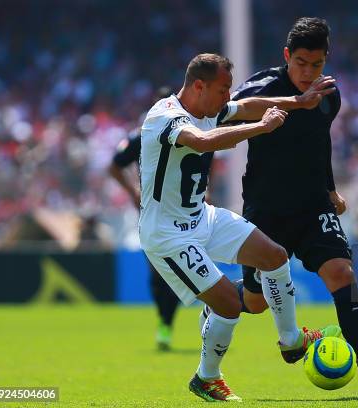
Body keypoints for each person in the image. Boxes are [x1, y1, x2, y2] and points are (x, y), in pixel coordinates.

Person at [216, 18, 358, 398]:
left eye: (316, 64)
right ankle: (220, 299)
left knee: (342, 273)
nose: (308, 72)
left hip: (313, 205)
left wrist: (331, 190)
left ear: (325, 61)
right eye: (301, 63)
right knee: (254, 302)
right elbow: (226, 112)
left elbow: (319, 145)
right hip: (266, 211)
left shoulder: (329, 95)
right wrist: (286, 105)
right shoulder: (263, 86)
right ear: (287, 56)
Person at [139, 53, 341, 402]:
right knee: (230, 305)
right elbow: (203, 142)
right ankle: (207, 377)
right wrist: (262, 128)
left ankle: (291, 340)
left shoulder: (210, 107)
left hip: (202, 216)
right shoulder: (165, 117)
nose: (226, 97)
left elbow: (249, 105)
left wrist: (299, 101)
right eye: (222, 90)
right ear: (199, 86)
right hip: (168, 235)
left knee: (275, 257)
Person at [108, 86, 183, 351]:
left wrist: (204, 188)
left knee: (179, 269)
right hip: (153, 210)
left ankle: (202, 314)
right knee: (159, 273)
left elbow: (211, 161)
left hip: (186, 211)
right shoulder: (144, 134)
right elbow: (115, 164)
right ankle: (165, 321)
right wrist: (133, 192)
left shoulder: (189, 130)